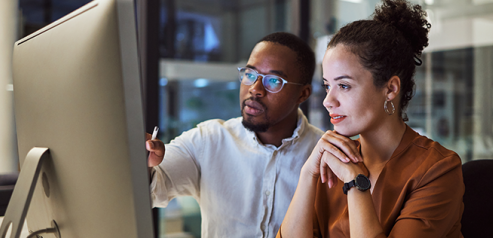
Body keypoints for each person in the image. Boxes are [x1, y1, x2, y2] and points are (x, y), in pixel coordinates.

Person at [277, 0, 464, 237]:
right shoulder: (332, 161)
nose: (328, 101)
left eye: (344, 86)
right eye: (327, 86)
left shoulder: (437, 169)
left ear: (390, 89)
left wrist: (356, 183)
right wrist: (307, 175)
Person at [145, 32, 324, 238]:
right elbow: (152, 191)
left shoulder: (323, 155)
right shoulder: (209, 140)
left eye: (273, 81)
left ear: (303, 94)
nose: (255, 89)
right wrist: (146, 162)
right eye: (250, 75)